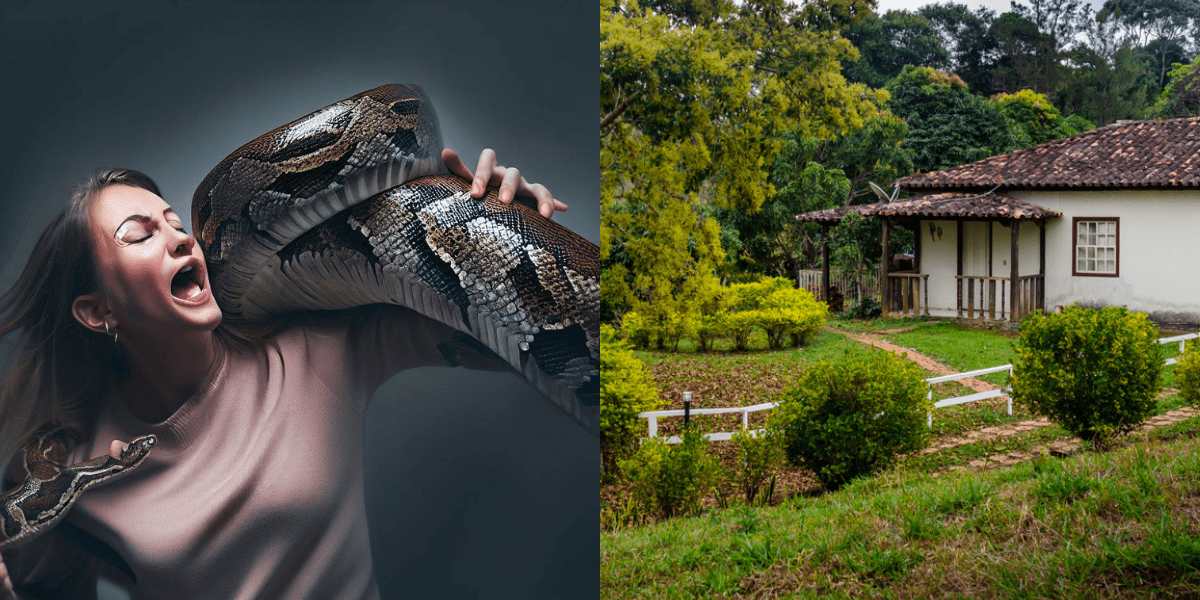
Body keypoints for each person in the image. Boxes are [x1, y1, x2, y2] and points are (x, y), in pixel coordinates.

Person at [0, 147, 565, 599]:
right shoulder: (69, 469)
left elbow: (514, 347)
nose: (178, 236)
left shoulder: (308, 346)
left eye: (175, 222)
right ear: (97, 313)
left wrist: (510, 233)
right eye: (141, 234)